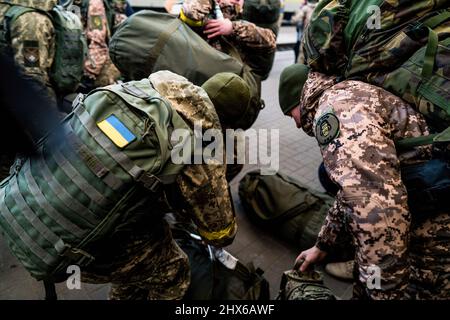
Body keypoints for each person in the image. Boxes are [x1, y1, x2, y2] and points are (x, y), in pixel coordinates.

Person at [278, 64, 450, 299]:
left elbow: (378, 214)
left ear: (300, 97)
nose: (296, 123)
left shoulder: (335, 111)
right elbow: (355, 193)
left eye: (291, 114)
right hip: (424, 204)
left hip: (432, 229)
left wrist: (381, 293)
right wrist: (322, 246)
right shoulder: (345, 94)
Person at [80, 71, 251, 299]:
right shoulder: (200, 143)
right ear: (226, 121)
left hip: (41, 203)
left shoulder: (150, 88)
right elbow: (220, 233)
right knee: (174, 270)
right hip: (83, 244)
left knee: (140, 263)